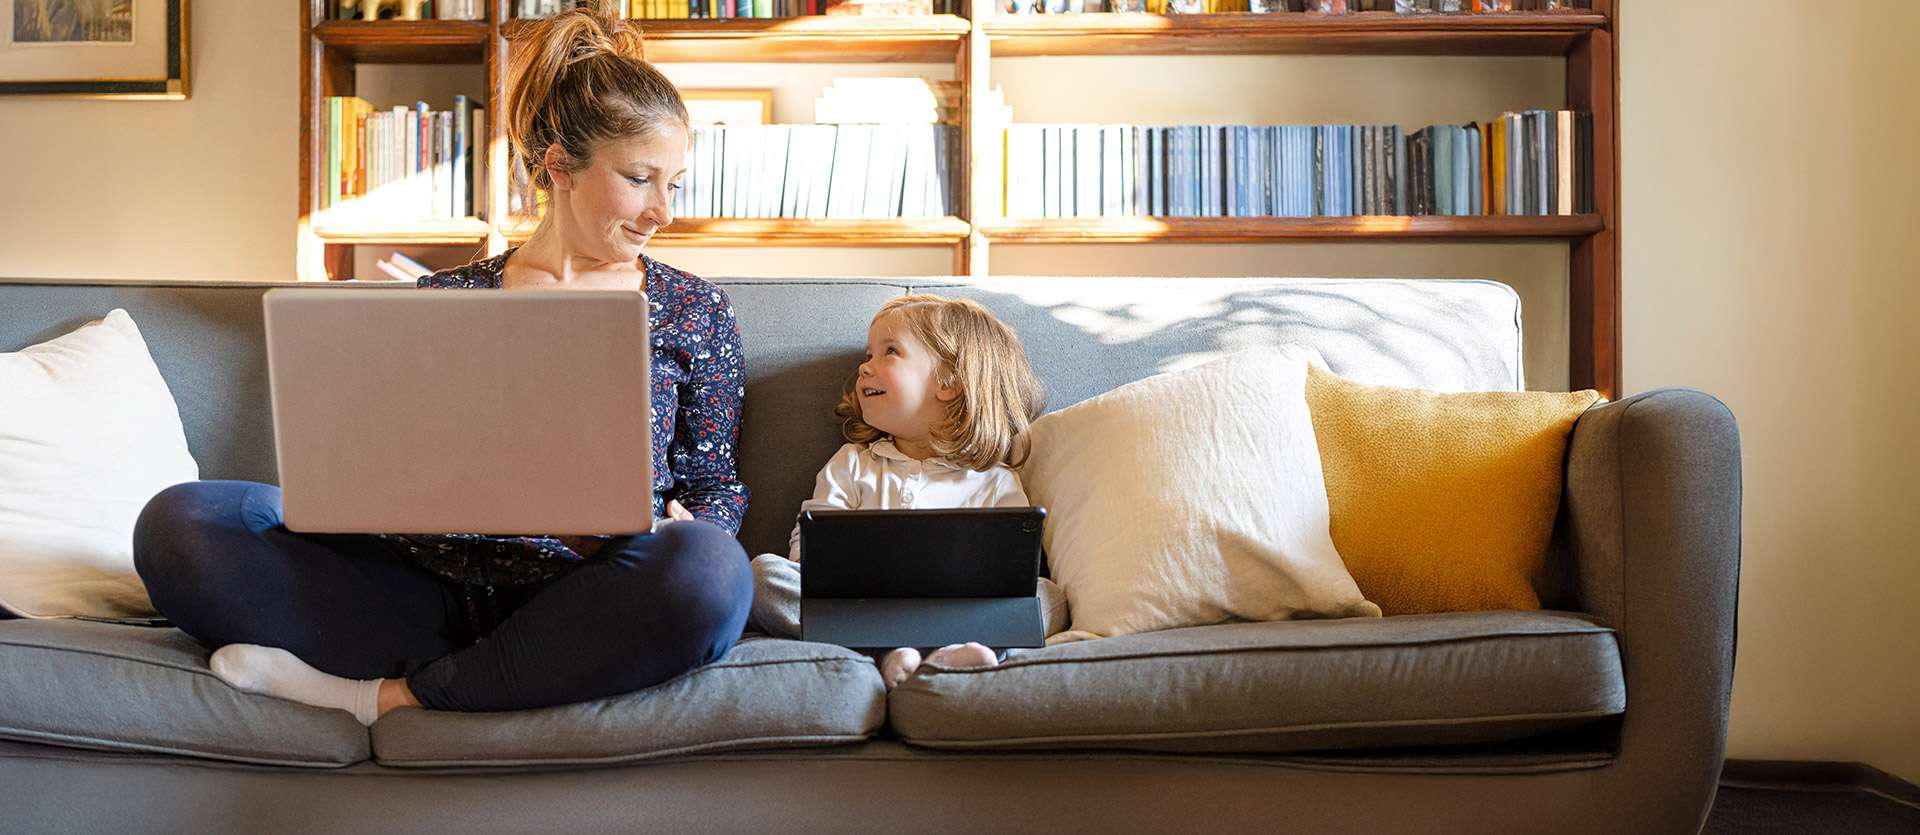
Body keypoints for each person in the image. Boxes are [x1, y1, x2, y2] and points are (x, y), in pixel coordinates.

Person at [131, 7, 752, 725]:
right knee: (180, 524)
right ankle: (480, 674)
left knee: (710, 575)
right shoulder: (445, 299)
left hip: (587, 599)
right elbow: (374, 463)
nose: (663, 210)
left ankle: (386, 696)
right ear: (560, 166)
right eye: (643, 179)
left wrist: (675, 526)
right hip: (419, 591)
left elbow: (716, 486)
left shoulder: (694, 311)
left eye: (674, 182)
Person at [748, 294, 1067, 689]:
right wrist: (819, 565)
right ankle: (889, 652)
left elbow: (1013, 568)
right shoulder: (852, 463)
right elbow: (810, 537)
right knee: (764, 574)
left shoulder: (993, 479)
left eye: (890, 352)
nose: (865, 366)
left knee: (1047, 595)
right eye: (869, 354)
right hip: (862, 607)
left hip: (958, 610)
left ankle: (956, 651)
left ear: (948, 382)